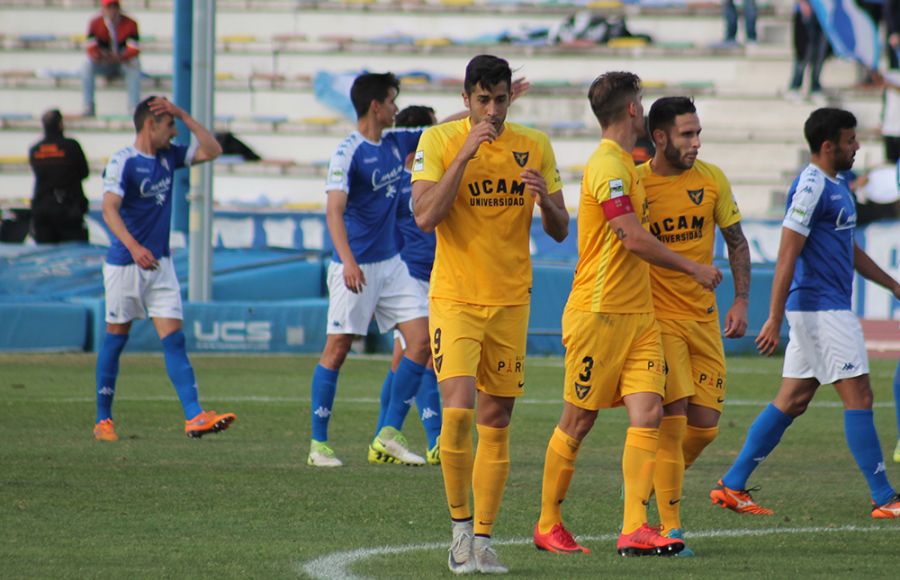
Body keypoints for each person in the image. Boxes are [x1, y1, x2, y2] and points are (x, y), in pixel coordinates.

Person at [531, 72, 721, 558]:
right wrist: (691, 267)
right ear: (633, 110)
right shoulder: (608, 166)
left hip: (639, 316)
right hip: (599, 313)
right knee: (578, 419)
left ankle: (635, 525)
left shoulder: (627, 166)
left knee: (650, 414)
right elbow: (631, 236)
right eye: (640, 101)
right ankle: (548, 522)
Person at [412, 54, 569, 574]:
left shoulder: (534, 145)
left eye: (501, 99)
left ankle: (482, 539)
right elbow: (425, 216)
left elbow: (561, 230)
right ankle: (458, 534)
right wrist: (463, 154)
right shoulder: (437, 142)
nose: (493, 110)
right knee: (456, 413)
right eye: (483, 100)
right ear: (465, 99)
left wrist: (545, 199)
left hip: (510, 301)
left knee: (496, 421)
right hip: (455, 298)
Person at [710, 107, 900, 519]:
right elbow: (787, 253)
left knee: (793, 400)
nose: (858, 146)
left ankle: (732, 484)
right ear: (828, 145)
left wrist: (892, 285)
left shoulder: (837, 183)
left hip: (821, 309)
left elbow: (847, 248)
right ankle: (885, 498)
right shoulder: (813, 186)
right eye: (851, 140)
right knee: (860, 396)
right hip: (821, 310)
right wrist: (774, 316)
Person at [634, 97, 751, 556]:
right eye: (687, 134)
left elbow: (736, 242)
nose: (696, 143)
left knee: (703, 428)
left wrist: (741, 300)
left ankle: (642, 488)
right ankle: (670, 526)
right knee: (673, 418)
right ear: (659, 138)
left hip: (703, 319)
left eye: (698, 133)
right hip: (659, 320)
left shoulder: (712, 179)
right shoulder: (639, 185)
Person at [93, 95, 235, 442]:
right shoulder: (123, 161)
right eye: (169, 125)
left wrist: (183, 114)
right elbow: (109, 209)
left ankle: (194, 416)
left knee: (174, 341)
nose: (174, 133)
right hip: (126, 265)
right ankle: (103, 420)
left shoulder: (170, 157)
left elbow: (213, 149)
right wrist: (134, 246)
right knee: (116, 339)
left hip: (161, 265)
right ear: (149, 125)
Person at [308, 73, 432, 468]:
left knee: (422, 340)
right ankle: (318, 444)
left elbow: (446, 125)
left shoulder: (397, 143)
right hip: (356, 266)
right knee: (338, 349)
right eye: (393, 100)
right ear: (376, 105)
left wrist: (485, 110)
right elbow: (334, 210)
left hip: (392, 265)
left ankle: (389, 433)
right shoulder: (348, 152)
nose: (397, 107)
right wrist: (347, 261)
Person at [371, 104, 442, 466]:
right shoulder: (399, 180)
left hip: (434, 275)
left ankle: (382, 436)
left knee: (405, 359)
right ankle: (435, 441)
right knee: (425, 353)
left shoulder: (425, 176)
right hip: (410, 277)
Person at [28, 109, 90, 243]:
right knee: (74, 255)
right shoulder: (71, 146)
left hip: (43, 209)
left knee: (45, 256)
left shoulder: (35, 149)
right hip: (69, 210)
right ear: (61, 124)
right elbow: (84, 172)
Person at [82, 0, 141, 117]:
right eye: (109, 7)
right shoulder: (95, 23)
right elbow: (91, 48)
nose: (112, 11)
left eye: (115, 7)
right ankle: (88, 106)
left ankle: (133, 107)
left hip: (123, 63)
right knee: (87, 65)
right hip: (104, 63)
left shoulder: (130, 23)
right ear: (103, 9)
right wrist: (101, 56)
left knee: (134, 64)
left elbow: (134, 49)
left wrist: (120, 56)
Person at [787, 0, 828, 104]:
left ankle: (815, 87)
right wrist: (802, 3)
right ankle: (795, 86)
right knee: (804, 51)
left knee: (820, 53)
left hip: (825, 11)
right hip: (806, 9)